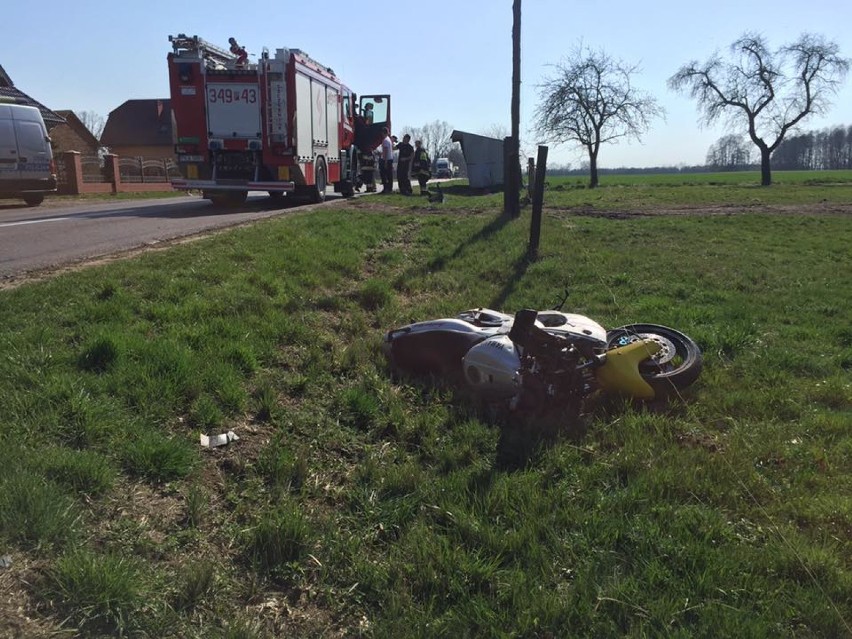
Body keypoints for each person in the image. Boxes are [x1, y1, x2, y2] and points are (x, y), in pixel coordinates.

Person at [379, 127, 394, 194]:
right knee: (389, 175)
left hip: (386, 160)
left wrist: (384, 161)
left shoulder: (385, 140)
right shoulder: (389, 140)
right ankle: (389, 188)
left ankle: (386, 188)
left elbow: (385, 151)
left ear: (383, 132)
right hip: (390, 159)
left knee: (384, 175)